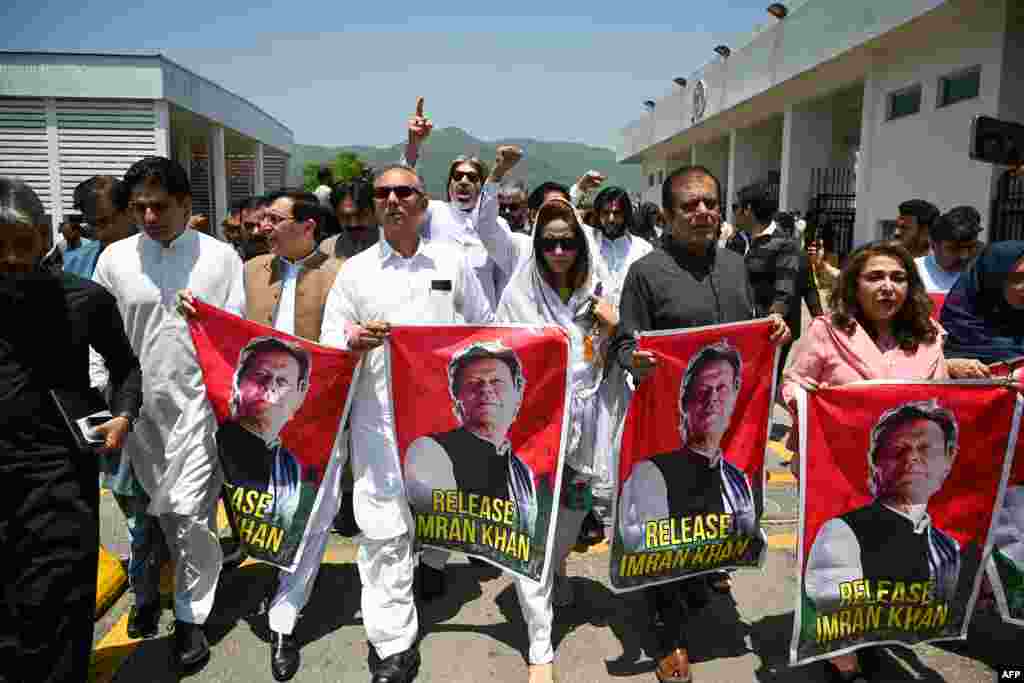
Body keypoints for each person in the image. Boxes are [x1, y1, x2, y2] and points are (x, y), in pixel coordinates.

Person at [611, 165, 790, 683]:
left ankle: (704, 578)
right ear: (667, 215)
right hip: (668, 426)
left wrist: (771, 327)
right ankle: (667, 633)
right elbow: (624, 341)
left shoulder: (736, 265)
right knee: (669, 521)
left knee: (712, 513)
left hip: (726, 428)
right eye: (689, 205)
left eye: (710, 202)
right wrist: (633, 361)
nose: (703, 212)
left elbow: (747, 333)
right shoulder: (646, 273)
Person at [320, 163, 493, 683]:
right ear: (375, 206)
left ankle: (434, 565)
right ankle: (392, 644)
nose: (393, 200)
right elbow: (330, 342)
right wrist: (352, 341)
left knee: (439, 514)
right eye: (383, 194)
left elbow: (484, 327)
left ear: (422, 204)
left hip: (443, 421)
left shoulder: (453, 263)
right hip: (378, 421)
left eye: (404, 192)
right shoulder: (355, 273)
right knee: (383, 532)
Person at [182, 187, 346, 680]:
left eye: (274, 220)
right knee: (261, 505)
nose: (263, 227)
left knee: (315, 512)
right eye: (262, 221)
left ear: (307, 226)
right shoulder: (250, 270)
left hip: (318, 419)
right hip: (252, 420)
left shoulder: (341, 277)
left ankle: (284, 616)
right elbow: (231, 326)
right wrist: (200, 316)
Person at [92, 156, 245, 672]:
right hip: (134, 417)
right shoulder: (115, 259)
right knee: (146, 516)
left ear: (186, 204)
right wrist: (105, 400)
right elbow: (99, 336)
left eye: (160, 205)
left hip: (198, 411)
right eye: (140, 207)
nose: (150, 216)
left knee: (193, 519)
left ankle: (189, 618)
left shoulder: (221, 259)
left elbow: (236, 337)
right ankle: (148, 599)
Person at [782, 240, 949, 682]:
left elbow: (942, 403)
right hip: (835, 470)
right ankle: (841, 659)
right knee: (838, 568)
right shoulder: (825, 330)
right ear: (854, 284)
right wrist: (809, 403)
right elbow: (794, 383)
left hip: (900, 484)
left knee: (886, 567)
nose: (887, 287)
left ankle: (872, 636)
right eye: (874, 277)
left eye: (897, 278)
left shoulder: (930, 337)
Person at [0, 177, 142, 682]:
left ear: (45, 238)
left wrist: (123, 414)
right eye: (1, 249)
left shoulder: (84, 299)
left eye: (24, 246)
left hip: (60, 472)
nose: (14, 260)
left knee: (62, 598)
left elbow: (125, 367)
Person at [493, 196, 618, 683]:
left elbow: (617, 349)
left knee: (573, 512)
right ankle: (540, 646)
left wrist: (613, 326)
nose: (559, 252)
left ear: (582, 245)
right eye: (549, 243)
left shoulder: (599, 289)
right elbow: (500, 350)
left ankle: (558, 564)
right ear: (537, 244)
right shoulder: (519, 293)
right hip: (536, 427)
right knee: (532, 528)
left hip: (589, 424)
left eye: (568, 242)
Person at [803, 401, 961, 616]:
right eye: (898, 450)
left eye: (926, 449)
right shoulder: (842, 532)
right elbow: (832, 609)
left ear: (947, 461)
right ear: (875, 463)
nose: (913, 458)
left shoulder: (947, 546)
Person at [618, 341, 758, 551]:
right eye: (703, 389)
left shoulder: (737, 479)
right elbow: (640, 547)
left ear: (733, 398)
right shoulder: (652, 473)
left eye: (722, 389)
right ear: (685, 403)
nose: (712, 399)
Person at [405, 342, 539, 535]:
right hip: (444, 563)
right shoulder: (431, 451)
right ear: (457, 400)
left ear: (517, 396)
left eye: (496, 382)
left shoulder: (521, 471)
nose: (486, 390)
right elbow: (440, 535)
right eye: (473, 383)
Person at [401, 97, 516, 309]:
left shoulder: (498, 226)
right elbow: (405, 193)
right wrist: (413, 145)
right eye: (457, 176)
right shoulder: (433, 213)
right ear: (449, 183)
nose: (463, 182)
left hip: (482, 329)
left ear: (483, 186)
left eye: (472, 178)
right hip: (438, 322)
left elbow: (505, 283)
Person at [218, 337, 313, 526]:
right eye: (260, 375)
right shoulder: (213, 444)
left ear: (300, 392)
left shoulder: (289, 464)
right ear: (238, 379)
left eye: (282, 381)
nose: (270, 386)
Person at [914, 206, 982, 296]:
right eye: (954, 248)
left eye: (971, 247)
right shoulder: (912, 271)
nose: (964, 255)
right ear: (933, 244)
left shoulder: (984, 273)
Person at [320, 178, 379, 259]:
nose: (353, 224)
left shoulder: (395, 245)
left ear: (375, 211)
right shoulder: (327, 250)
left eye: (361, 215)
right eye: (345, 216)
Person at [60, 213, 99, 278]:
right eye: (64, 234)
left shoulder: (89, 245)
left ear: (76, 232)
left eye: (68, 233)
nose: (66, 237)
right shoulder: (62, 245)